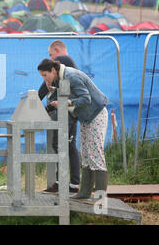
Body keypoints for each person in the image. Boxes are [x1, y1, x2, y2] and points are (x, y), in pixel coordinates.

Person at [37, 59, 109, 200]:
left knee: (96, 155)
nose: (44, 79)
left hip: (96, 115)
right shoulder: (61, 78)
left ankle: (101, 197)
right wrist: (52, 90)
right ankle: (84, 193)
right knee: (87, 155)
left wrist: (64, 102)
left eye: (45, 75)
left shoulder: (71, 76)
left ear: (53, 70)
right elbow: (65, 99)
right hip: (86, 117)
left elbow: (86, 99)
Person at [38, 41, 80, 194]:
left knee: (60, 144)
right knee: (69, 145)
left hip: (68, 110)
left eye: (51, 55)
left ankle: (64, 182)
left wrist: (36, 98)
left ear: (56, 50)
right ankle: (69, 183)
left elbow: (47, 83)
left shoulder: (64, 60)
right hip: (70, 108)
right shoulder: (68, 65)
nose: (51, 59)